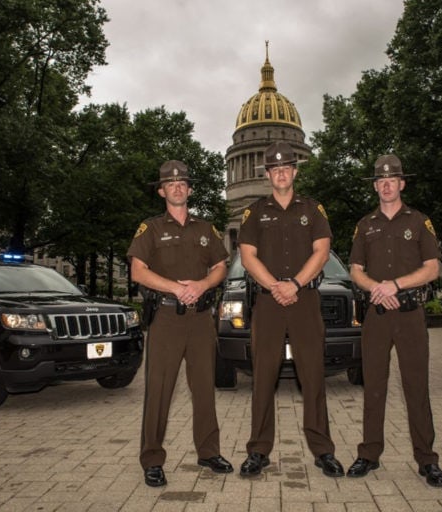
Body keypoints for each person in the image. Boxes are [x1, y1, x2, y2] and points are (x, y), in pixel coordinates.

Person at [237, 141, 345, 478]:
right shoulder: (254, 212)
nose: (281, 172)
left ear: (295, 171)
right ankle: (258, 451)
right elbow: (247, 256)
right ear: (267, 174)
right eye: (274, 168)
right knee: (263, 376)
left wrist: (294, 284)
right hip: (268, 303)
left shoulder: (314, 210)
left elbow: (322, 251)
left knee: (312, 375)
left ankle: (323, 450)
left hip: (304, 300)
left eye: (286, 167)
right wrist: (275, 286)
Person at [127, 160, 233, 487]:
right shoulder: (151, 228)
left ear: (189, 189)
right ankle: (152, 459)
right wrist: (176, 287)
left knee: (204, 388)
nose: (177, 187)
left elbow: (220, 267)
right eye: (170, 184)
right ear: (162, 191)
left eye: (182, 183)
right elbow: (138, 271)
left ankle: (208, 451)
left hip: (201, 319)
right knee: (159, 390)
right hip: (167, 318)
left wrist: (201, 286)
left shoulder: (206, 229)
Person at [346, 154, 442, 487]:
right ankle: (369, 454)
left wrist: (396, 285)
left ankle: (427, 459)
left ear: (402, 183)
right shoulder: (365, 225)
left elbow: (433, 268)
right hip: (376, 316)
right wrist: (377, 287)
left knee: (416, 387)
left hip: (409, 314)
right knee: (373, 386)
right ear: (375, 186)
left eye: (393, 179)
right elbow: (355, 271)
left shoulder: (419, 222)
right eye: (381, 180)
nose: (387, 184)